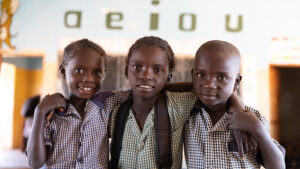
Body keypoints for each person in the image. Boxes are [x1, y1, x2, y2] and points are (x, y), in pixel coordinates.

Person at [108, 36, 252, 169]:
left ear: (169, 77)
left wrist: (237, 111)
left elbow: (214, 92)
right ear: (126, 71)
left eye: (157, 70)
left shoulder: (178, 105)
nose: (146, 76)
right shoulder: (112, 110)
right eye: (137, 67)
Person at [26, 39, 130, 168]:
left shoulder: (106, 103)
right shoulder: (52, 113)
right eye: (79, 71)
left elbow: (137, 91)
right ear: (63, 71)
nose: (88, 79)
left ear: (103, 75)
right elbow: (34, 162)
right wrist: (39, 111)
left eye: (96, 73)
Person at [184, 40, 285, 169]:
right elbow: (159, 89)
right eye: (201, 75)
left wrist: (258, 129)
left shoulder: (252, 119)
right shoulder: (187, 114)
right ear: (193, 75)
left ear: (236, 82)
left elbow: (278, 167)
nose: (209, 84)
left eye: (221, 77)